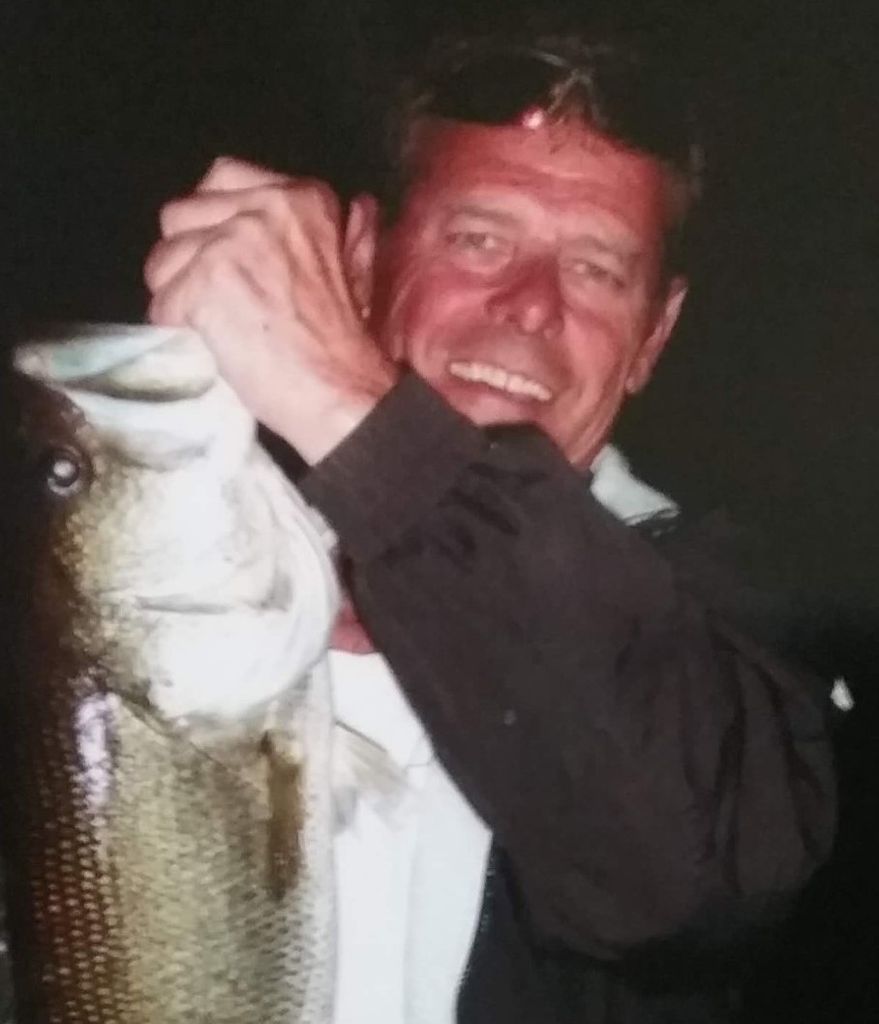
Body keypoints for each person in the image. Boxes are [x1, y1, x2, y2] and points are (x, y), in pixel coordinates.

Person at [143, 27, 837, 1024]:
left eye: (597, 269)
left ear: (654, 335)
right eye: (479, 239)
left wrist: (350, 414)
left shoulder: (737, 622)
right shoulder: (166, 563)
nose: (531, 305)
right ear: (358, 259)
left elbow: (690, 870)